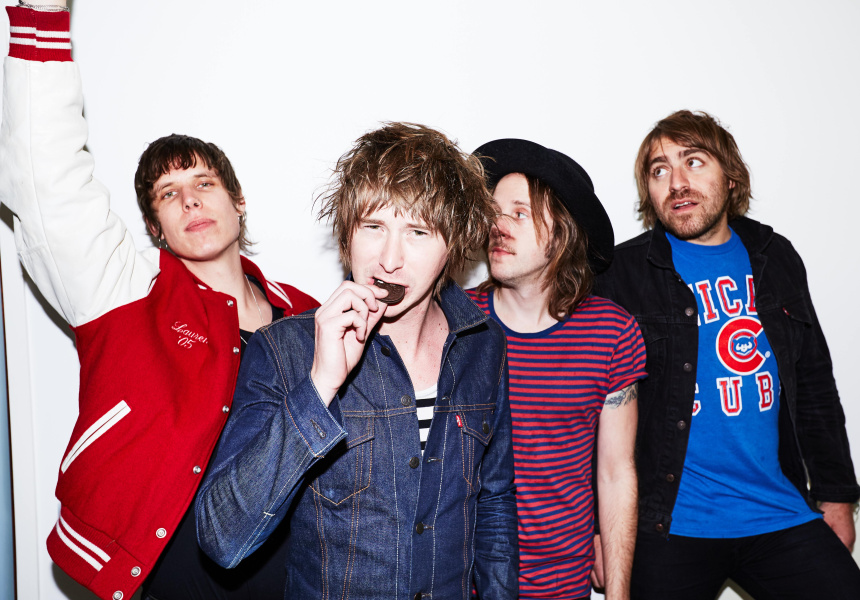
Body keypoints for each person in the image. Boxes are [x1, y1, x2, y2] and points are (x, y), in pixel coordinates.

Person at [0, 3, 318, 600]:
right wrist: (40, 16)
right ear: (155, 228)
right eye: (169, 195)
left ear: (238, 201)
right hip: (174, 580)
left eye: (204, 184)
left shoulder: (306, 314)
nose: (191, 201)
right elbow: (49, 182)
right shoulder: (126, 289)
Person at [196, 122, 519, 599]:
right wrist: (319, 386)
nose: (389, 259)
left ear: (451, 244)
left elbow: (494, 505)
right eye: (373, 227)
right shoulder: (285, 351)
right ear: (347, 233)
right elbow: (222, 539)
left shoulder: (483, 345)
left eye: (417, 232)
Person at [596, 109, 860, 599]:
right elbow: (584, 406)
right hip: (668, 523)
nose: (677, 182)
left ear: (731, 176)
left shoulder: (775, 256)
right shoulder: (621, 273)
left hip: (778, 511)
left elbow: (814, 383)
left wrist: (838, 497)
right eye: (659, 170)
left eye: (693, 162)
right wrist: (599, 528)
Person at [469, 139, 647, 600]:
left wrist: (619, 594)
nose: (498, 225)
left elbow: (616, 472)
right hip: (463, 581)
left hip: (561, 583)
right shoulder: (455, 323)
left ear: (563, 233)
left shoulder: (611, 332)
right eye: (494, 213)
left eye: (519, 213)